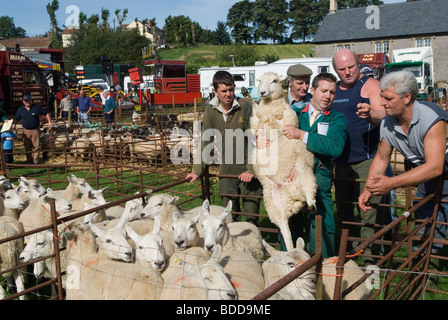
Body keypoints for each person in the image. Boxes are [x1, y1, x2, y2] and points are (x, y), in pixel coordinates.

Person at [359, 70, 448, 257]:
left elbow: (435, 166)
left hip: (438, 170)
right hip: (429, 178)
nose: (382, 103)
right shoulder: (388, 123)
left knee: (437, 228)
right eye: (382, 97)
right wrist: (369, 187)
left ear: (407, 97)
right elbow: (382, 157)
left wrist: (390, 183)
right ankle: (424, 273)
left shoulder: (431, 119)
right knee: (423, 231)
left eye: (388, 98)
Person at [282, 73, 347, 258]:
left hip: (319, 181)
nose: (328, 96)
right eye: (324, 91)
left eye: (333, 92)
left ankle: (322, 272)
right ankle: (288, 270)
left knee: (321, 227)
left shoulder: (337, 119)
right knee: (289, 223)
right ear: (312, 90)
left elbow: (335, 147)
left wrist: (302, 135)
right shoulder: (294, 115)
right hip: (292, 180)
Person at [186, 71, 262, 225]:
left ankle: (251, 247)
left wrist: (251, 169)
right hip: (227, 169)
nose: (229, 94)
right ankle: (233, 247)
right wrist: (197, 170)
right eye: (224, 91)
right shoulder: (210, 110)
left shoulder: (244, 106)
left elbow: (254, 138)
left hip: (248, 167)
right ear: (215, 91)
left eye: (231, 89)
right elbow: (206, 140)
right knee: (229, 215)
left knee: (251, 215)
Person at [331, 49, 386, 262]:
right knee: (344, 208)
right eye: (342, 69)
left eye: (351, 67)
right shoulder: (334, 90)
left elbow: (384, 113)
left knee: (368, 209)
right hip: (341, 160)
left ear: (357, 63)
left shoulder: (369, 85)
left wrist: (371, 113)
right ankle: (350, 253)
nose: (347, 72)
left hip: (367, 159)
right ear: (336, 70)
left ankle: (371, 258)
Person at [13, 95, 53, 164]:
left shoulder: (36, 107)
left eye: (29, 100)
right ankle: (29, 161)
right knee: (27, 146)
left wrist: (49, 122)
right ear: (23, 102)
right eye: (26, 101)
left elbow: (46, 113)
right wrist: (13, 124)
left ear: (31, 101)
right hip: (26, 131)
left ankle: (36, 161)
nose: (28, 102)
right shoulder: (20, 109)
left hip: (35, 130)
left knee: (36, 146)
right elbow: (16, 118)